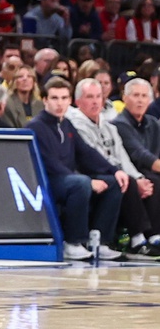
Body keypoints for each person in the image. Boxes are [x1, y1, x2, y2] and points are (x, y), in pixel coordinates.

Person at [28, 77, 125, 261]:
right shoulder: (36, 126)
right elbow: (50, 164)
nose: (60, 103)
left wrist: (114, 170)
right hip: (48, 180)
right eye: (55, 98)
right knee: (80, 183)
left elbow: (86, 152)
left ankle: (100, 240)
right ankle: (72, 242)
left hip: (68, 178)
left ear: (70, 100)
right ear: (45, 100)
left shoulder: (67, 124)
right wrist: (88, 181)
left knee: (113, 183)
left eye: (64, 98)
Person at [68, 78, 160, 258]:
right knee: (125, 182)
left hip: (114, 171)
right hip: (90, 172)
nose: (95, 101)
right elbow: (91, 158)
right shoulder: (76, 124)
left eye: (98, 97)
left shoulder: (107, 125)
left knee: (144, 180)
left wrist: (138, 176)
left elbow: (122, 157)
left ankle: (153, 235)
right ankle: (137, 239)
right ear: (78, 101)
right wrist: (124, 174)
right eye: (89, 97)